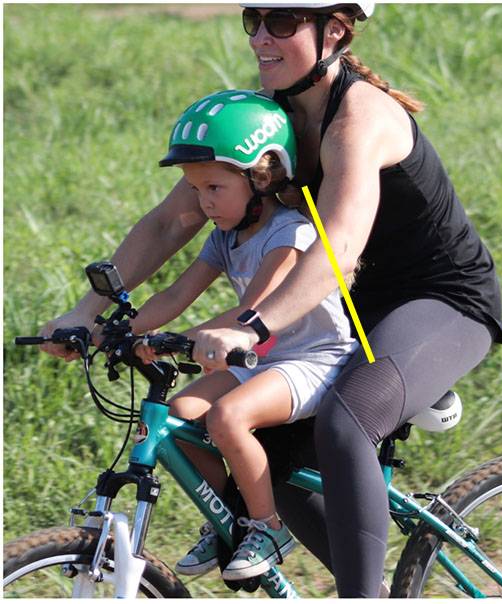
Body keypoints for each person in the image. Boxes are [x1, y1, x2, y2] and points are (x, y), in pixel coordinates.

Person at [39, 3, 502, 596]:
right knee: (264, 451)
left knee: (345, 424)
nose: (262, 36)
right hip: (339, 310)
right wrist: (87, 313)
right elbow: (172, 220)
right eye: (253, 18)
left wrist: (251, 326)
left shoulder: (361, 118)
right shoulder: (263, 119)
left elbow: (338, 243)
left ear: (334, 29)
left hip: (440, 302)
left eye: (282, 21)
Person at [130, 90, 356, 581]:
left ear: (260, 176)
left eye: (214, 187)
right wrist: (124, 331)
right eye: (195, 190)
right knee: (182, 416)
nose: (203, 201)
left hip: (315, 358)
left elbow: (253, 308)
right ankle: (229, 516)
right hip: (266, 358)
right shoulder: (225, 235)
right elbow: (176, 294)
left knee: (228, 417)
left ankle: (268, 526)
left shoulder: (289, 234)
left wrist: (188, 337)